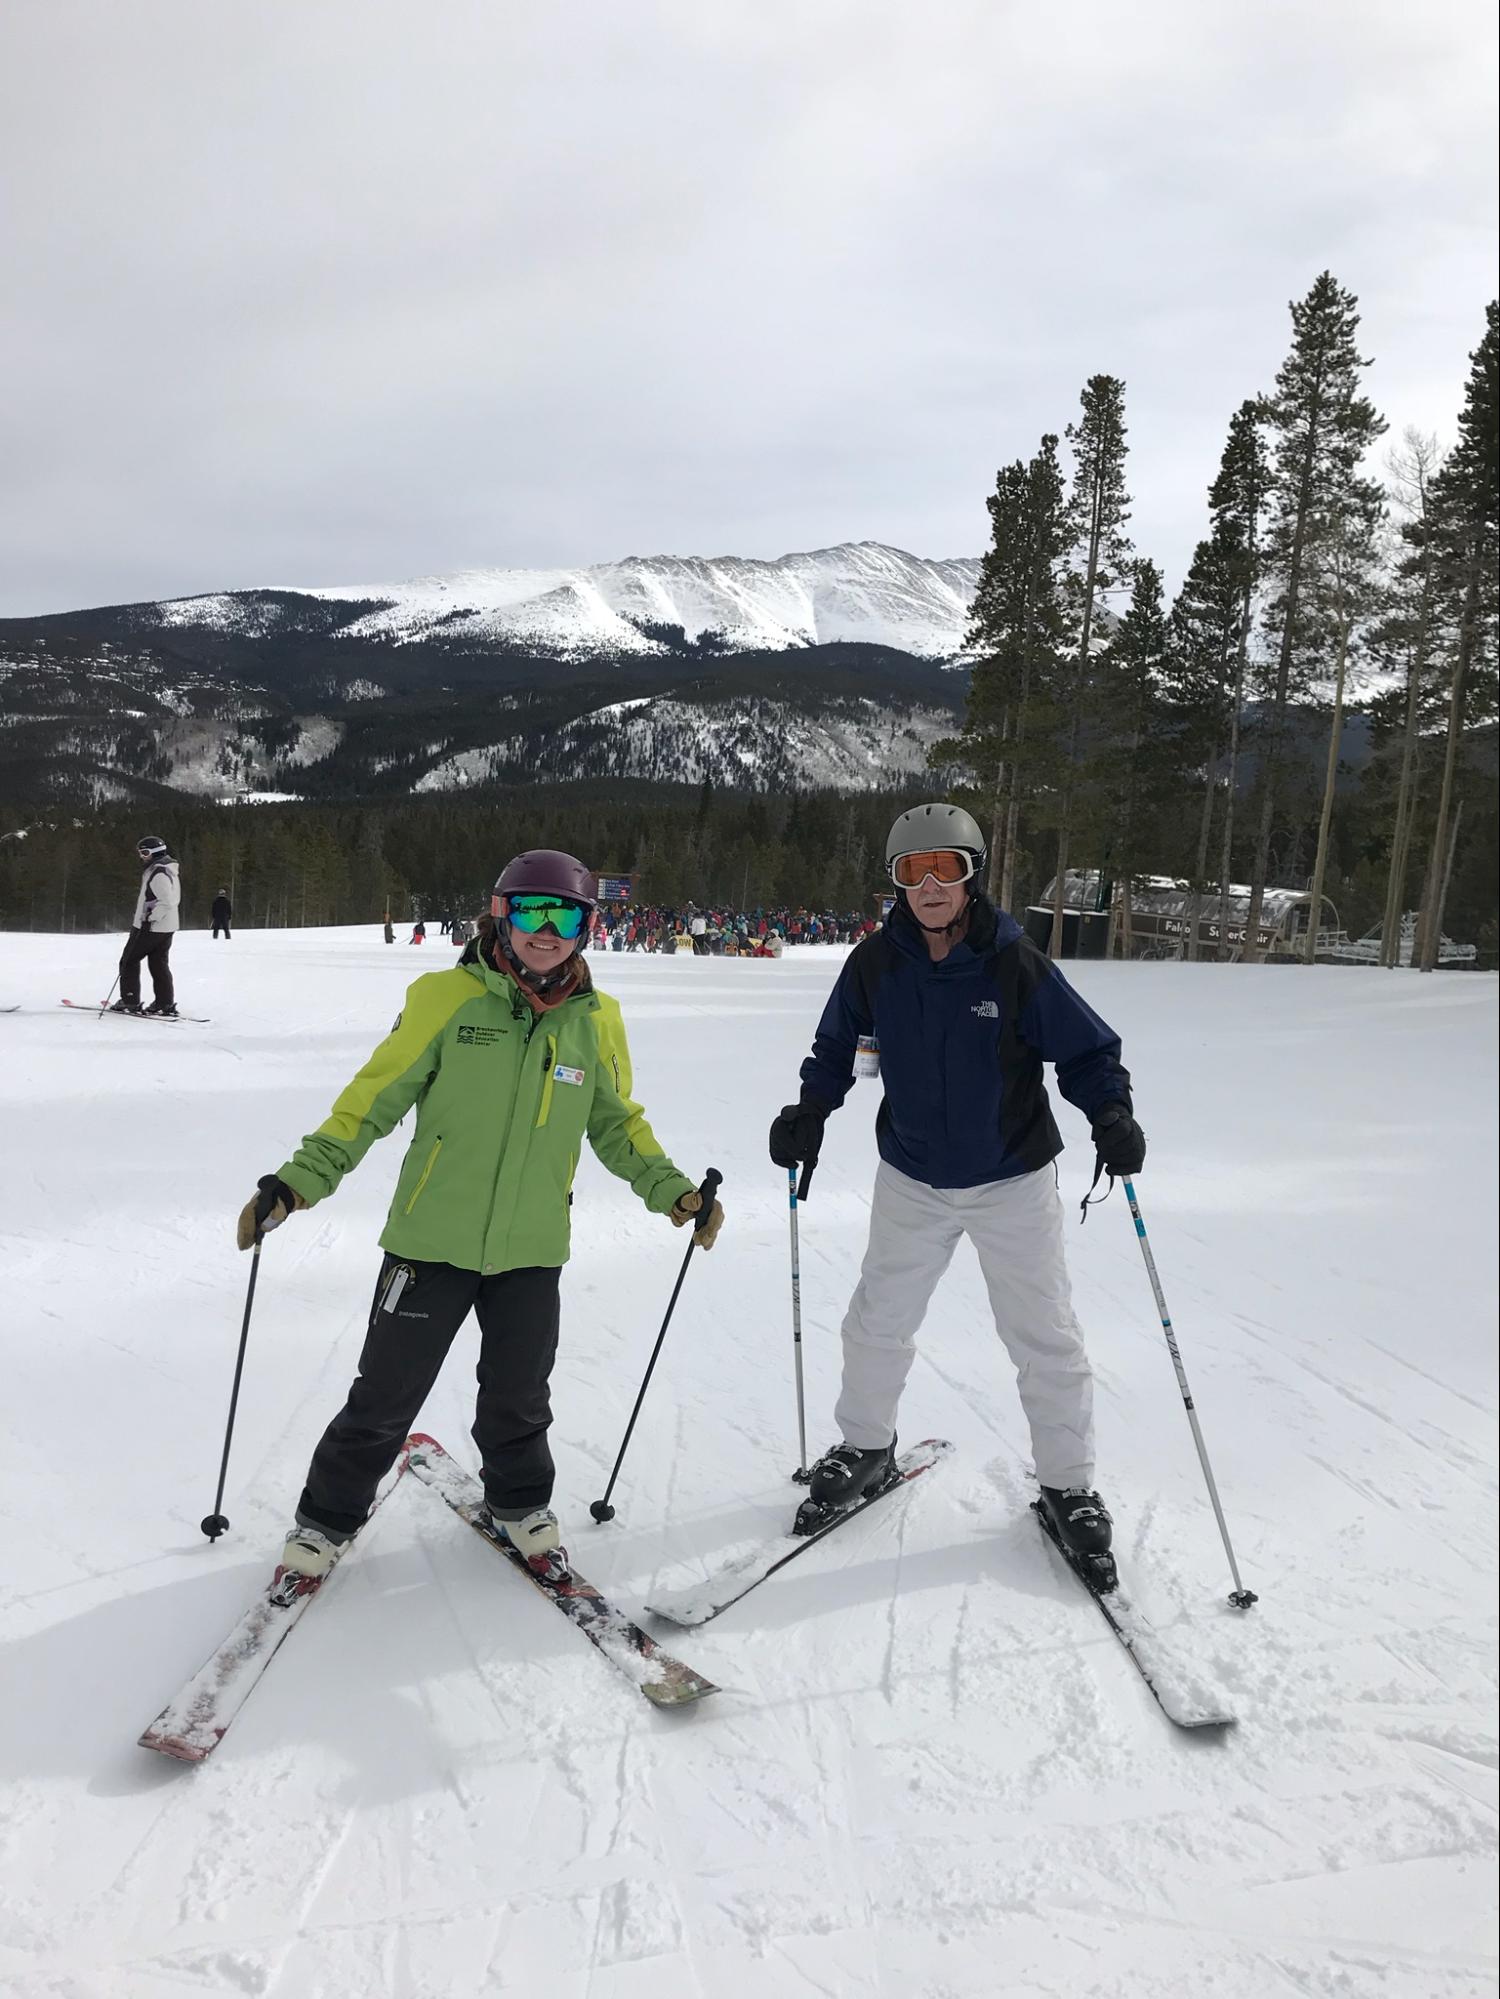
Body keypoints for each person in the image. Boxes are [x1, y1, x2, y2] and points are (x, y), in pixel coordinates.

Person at [236, 848, 726, 1581]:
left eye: (568, 914)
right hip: (430, 1242)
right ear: (502, 914)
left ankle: (521, 1502)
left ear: (589, 925)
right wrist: (298, 1182)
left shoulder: (597, 1020)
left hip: (531, 1249)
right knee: (383, 1397)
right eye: (532, 909)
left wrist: (674, 1192)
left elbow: (619, 1127)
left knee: (520, 1396)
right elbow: (370, 1104)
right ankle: (325, 1520)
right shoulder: (447, 998)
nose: (548, 929)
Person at [768, 802, 1146, 1587]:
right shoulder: (875, 963)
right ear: (897, 882)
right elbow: (837, 1045)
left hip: (1010, 1176)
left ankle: (1069, 1487)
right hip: (912, 1175)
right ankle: (867, 1445)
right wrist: (811, 1109)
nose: (931, 884)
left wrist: (1109, 1110)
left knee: (1043, 1333)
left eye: (946, 867)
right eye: (914, 870)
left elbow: (1086, 1049)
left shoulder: (1015, 962)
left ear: (971, 874)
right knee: (878, 1318)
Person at [113, 835, 180, 1016]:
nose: (142, 856)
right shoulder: (166, 869)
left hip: (151, 927)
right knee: (158, 964)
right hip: (165, 927)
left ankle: (130, 1000)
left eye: (144, 852)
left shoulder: (159, 873)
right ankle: (164, 1002)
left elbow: (167, 900)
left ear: (155, 852)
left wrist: (151, 917)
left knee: (129, 961)